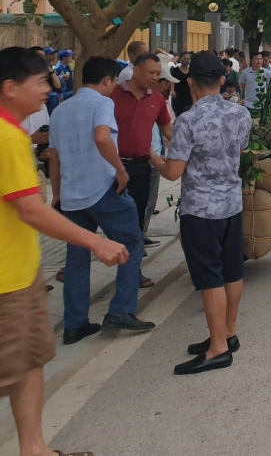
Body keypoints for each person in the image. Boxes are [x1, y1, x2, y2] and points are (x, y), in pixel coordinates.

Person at [0, 47, 129, 456]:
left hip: (22, 272)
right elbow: (31, 210)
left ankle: (35, 449)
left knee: (31, 362)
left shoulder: (23, 128)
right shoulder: (7, 138)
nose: (48, 89)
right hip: (7, 282)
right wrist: (97, 241)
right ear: (9, 87)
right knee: (13, 368)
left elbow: (50, 163)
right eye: (39, 81)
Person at [147, 52, 252, 375]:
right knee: (232, 271)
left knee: (210, 278)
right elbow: (242, 149)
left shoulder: (188, 121)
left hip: (201, 209)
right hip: (232, 204)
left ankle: (217, 347)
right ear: (222, 80)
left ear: (190, 82)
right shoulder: (241, 114)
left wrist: (150, 155)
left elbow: (174, 172)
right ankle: (228, 333)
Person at [48, 56, 154, 345]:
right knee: (132, 243)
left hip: (71, 194)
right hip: (103, 190)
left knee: (77, 256)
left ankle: (75, 324)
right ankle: (121, 310)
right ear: (107, 81)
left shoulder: (60, 109)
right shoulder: (103, 103)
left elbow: (54, 156)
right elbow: (102, 137)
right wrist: (121, 171)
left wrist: (57, 192)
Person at [110, 52, 172, 276]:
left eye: (158, 74)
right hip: (112, 167)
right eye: (151, 73)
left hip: (141, 167)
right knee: (115, 221)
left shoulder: (156, 100)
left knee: (136, 221)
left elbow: (167, 130)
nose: (155, 78)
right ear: (136, 70)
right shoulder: (112, 95)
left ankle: (131, 272)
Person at [170, 52, 194, 116]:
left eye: (188, 59)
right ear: (180, 59)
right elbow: (172, 81)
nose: (186, 60)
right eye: (184, 58)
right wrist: (172, 90)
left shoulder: (192, 71)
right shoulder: (175, 70)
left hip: (189, 96)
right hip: (178, 96)